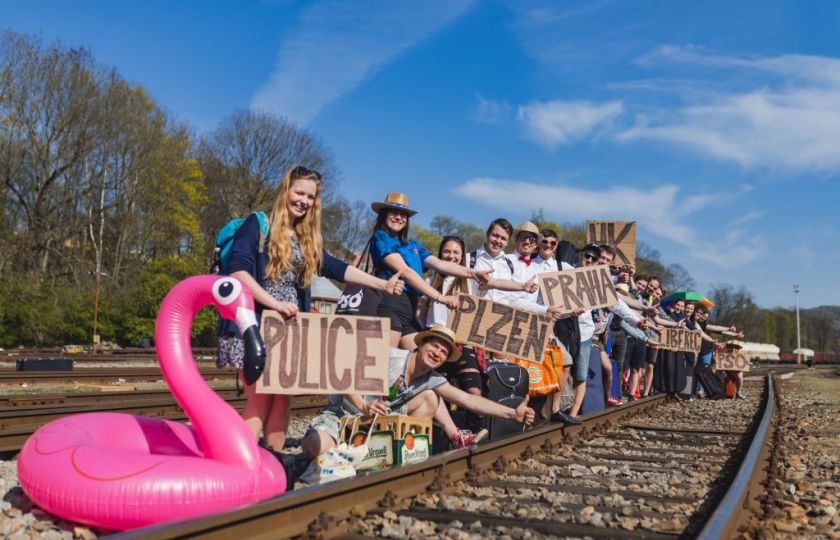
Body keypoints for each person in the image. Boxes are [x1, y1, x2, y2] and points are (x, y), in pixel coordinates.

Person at [217, 166, 405, 453]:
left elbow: (338, 269)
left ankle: (274, 468)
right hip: (256, 323)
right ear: (285, 190)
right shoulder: (258, 223)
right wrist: (275, 304)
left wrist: (382, 284)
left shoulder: (306, 238)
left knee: (282, 401)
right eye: (299, 192)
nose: (303, 201)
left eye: (310, 197)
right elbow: (238, 273)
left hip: (288, 329)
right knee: (259, 401)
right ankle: (238, 468)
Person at [300, 325, 536, 460]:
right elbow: (343, 374)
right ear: (421, 345)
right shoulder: (390, 356)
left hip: (381, 422)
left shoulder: (431, 378)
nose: (437, 353)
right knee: (314, 447)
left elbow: (468, 399)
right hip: (346, 414)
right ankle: (350, 450)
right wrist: (362, 404)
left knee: (430, 398)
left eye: (443, 352)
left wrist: (512, 413)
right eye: (434, 345)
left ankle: (393, 454)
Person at [368, 193, 494, 349]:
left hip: (410, 309)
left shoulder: (412, 245)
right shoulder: (381, 237)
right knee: (385, 363)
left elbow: (440, 264)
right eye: (394, 212)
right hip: (390, 303)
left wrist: (472, 273)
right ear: (384, 215)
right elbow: (405, 272)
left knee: (416, 363)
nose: (398, 217)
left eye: (403, 214)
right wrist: (440, 297)